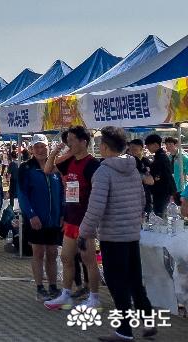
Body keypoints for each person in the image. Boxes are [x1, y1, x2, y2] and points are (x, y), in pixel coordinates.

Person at [79, 127, 155, 342]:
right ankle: (148, 324)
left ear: (104, 147)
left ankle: (124, 330)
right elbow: (142, 199)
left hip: (112, 236)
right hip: (131, 234)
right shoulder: (133, 167)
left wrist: (84, 233)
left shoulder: (103, 172)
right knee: (134, 281)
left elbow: (96, 207)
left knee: (116, 283)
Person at [44, 126, 102, 311]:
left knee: (88, 260)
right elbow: (48, 169)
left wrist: (93, 220)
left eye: (72, 140)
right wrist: (54, 151)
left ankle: (94, 298)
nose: (68, 143)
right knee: (66, 257)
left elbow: (98, 193)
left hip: (86, 220)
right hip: (70, 218)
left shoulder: (93, 164)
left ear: (83, 142)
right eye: (67, 140)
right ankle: (66, 295)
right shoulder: (69, 161)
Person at [16, 133, 63, 302]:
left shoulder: (57, 167)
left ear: (48, 147)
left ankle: (52, 286)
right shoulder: (26, 168)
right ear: (31, 149)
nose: (40, 150)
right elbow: (22, 194)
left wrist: (63, 214)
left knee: (52, 252)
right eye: (37, 147)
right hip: (35, 219)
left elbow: (63, 192)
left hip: (54, 219)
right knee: (38, 252)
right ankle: (39, 287)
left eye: (43, 146)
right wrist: (31, 214)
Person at [145, 133, 175, 218]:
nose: (147, 147)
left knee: (159, 215)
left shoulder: (161, 158)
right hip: (163, 190)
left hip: (162, 190)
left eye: (148, 145)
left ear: (155, 145)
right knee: (160, 213)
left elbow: (158, 176)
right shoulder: (160, 156)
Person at [127, 139, 153, 215]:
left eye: (134, 148)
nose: (131, 150)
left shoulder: (145, 161)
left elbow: (151, 180)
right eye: (130, 148)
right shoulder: (127, 161)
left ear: (141, 149)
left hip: (144, 193)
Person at [164, 136, 185, 205]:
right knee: (177, 206)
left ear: (175, 145)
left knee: (183, 207)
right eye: (166, 144)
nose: (168, 146)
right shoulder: (169, 157)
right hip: (173, 186)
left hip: (182, 186)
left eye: (170, 144)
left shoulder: (183, 156)